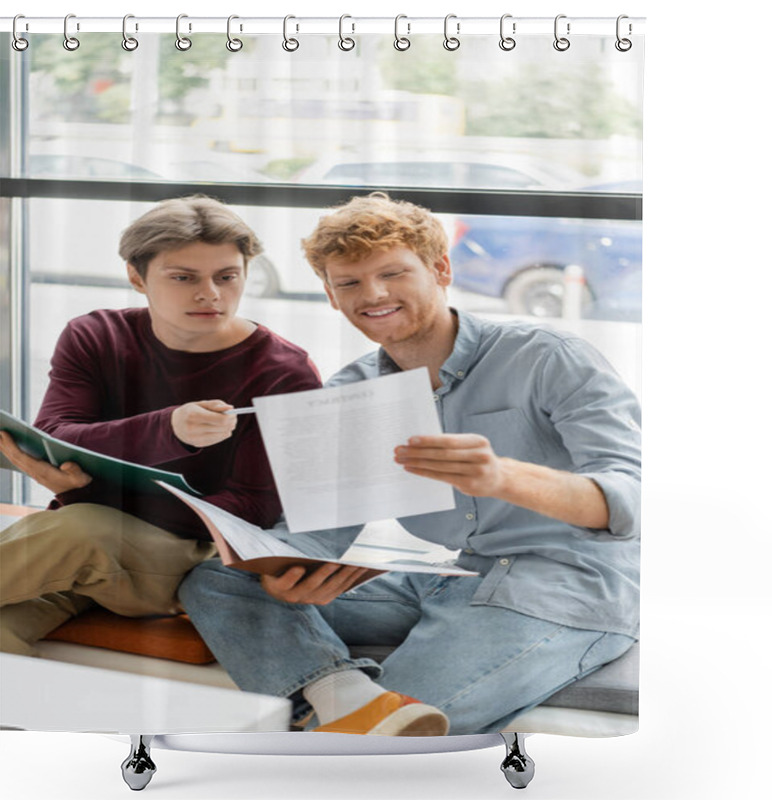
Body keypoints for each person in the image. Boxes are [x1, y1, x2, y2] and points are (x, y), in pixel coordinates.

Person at [178, 192, 641, 736]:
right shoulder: (352, 391)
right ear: (330, 295)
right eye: (349, 283)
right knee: (217, 581)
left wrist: (505, 477)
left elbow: (633, 495)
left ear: (440, 269)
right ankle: (342, 695)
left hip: (564, 589)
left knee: (392, 733)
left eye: (392, 274)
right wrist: (287, 570)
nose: (372, 295)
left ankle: (343, 728)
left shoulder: (546, 356)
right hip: (443, 576)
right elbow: (325, 530)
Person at [0, 195, 321, 657]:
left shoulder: (283, 372)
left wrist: (88, 492)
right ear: (136, 276)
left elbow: (252, 509)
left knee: (82, 527)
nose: (210, 293)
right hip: (81, 553)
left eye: (226, 277)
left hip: (187, 559)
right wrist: (168, 430)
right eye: (183, 277)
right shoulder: (95, 335)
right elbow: (56, 435)